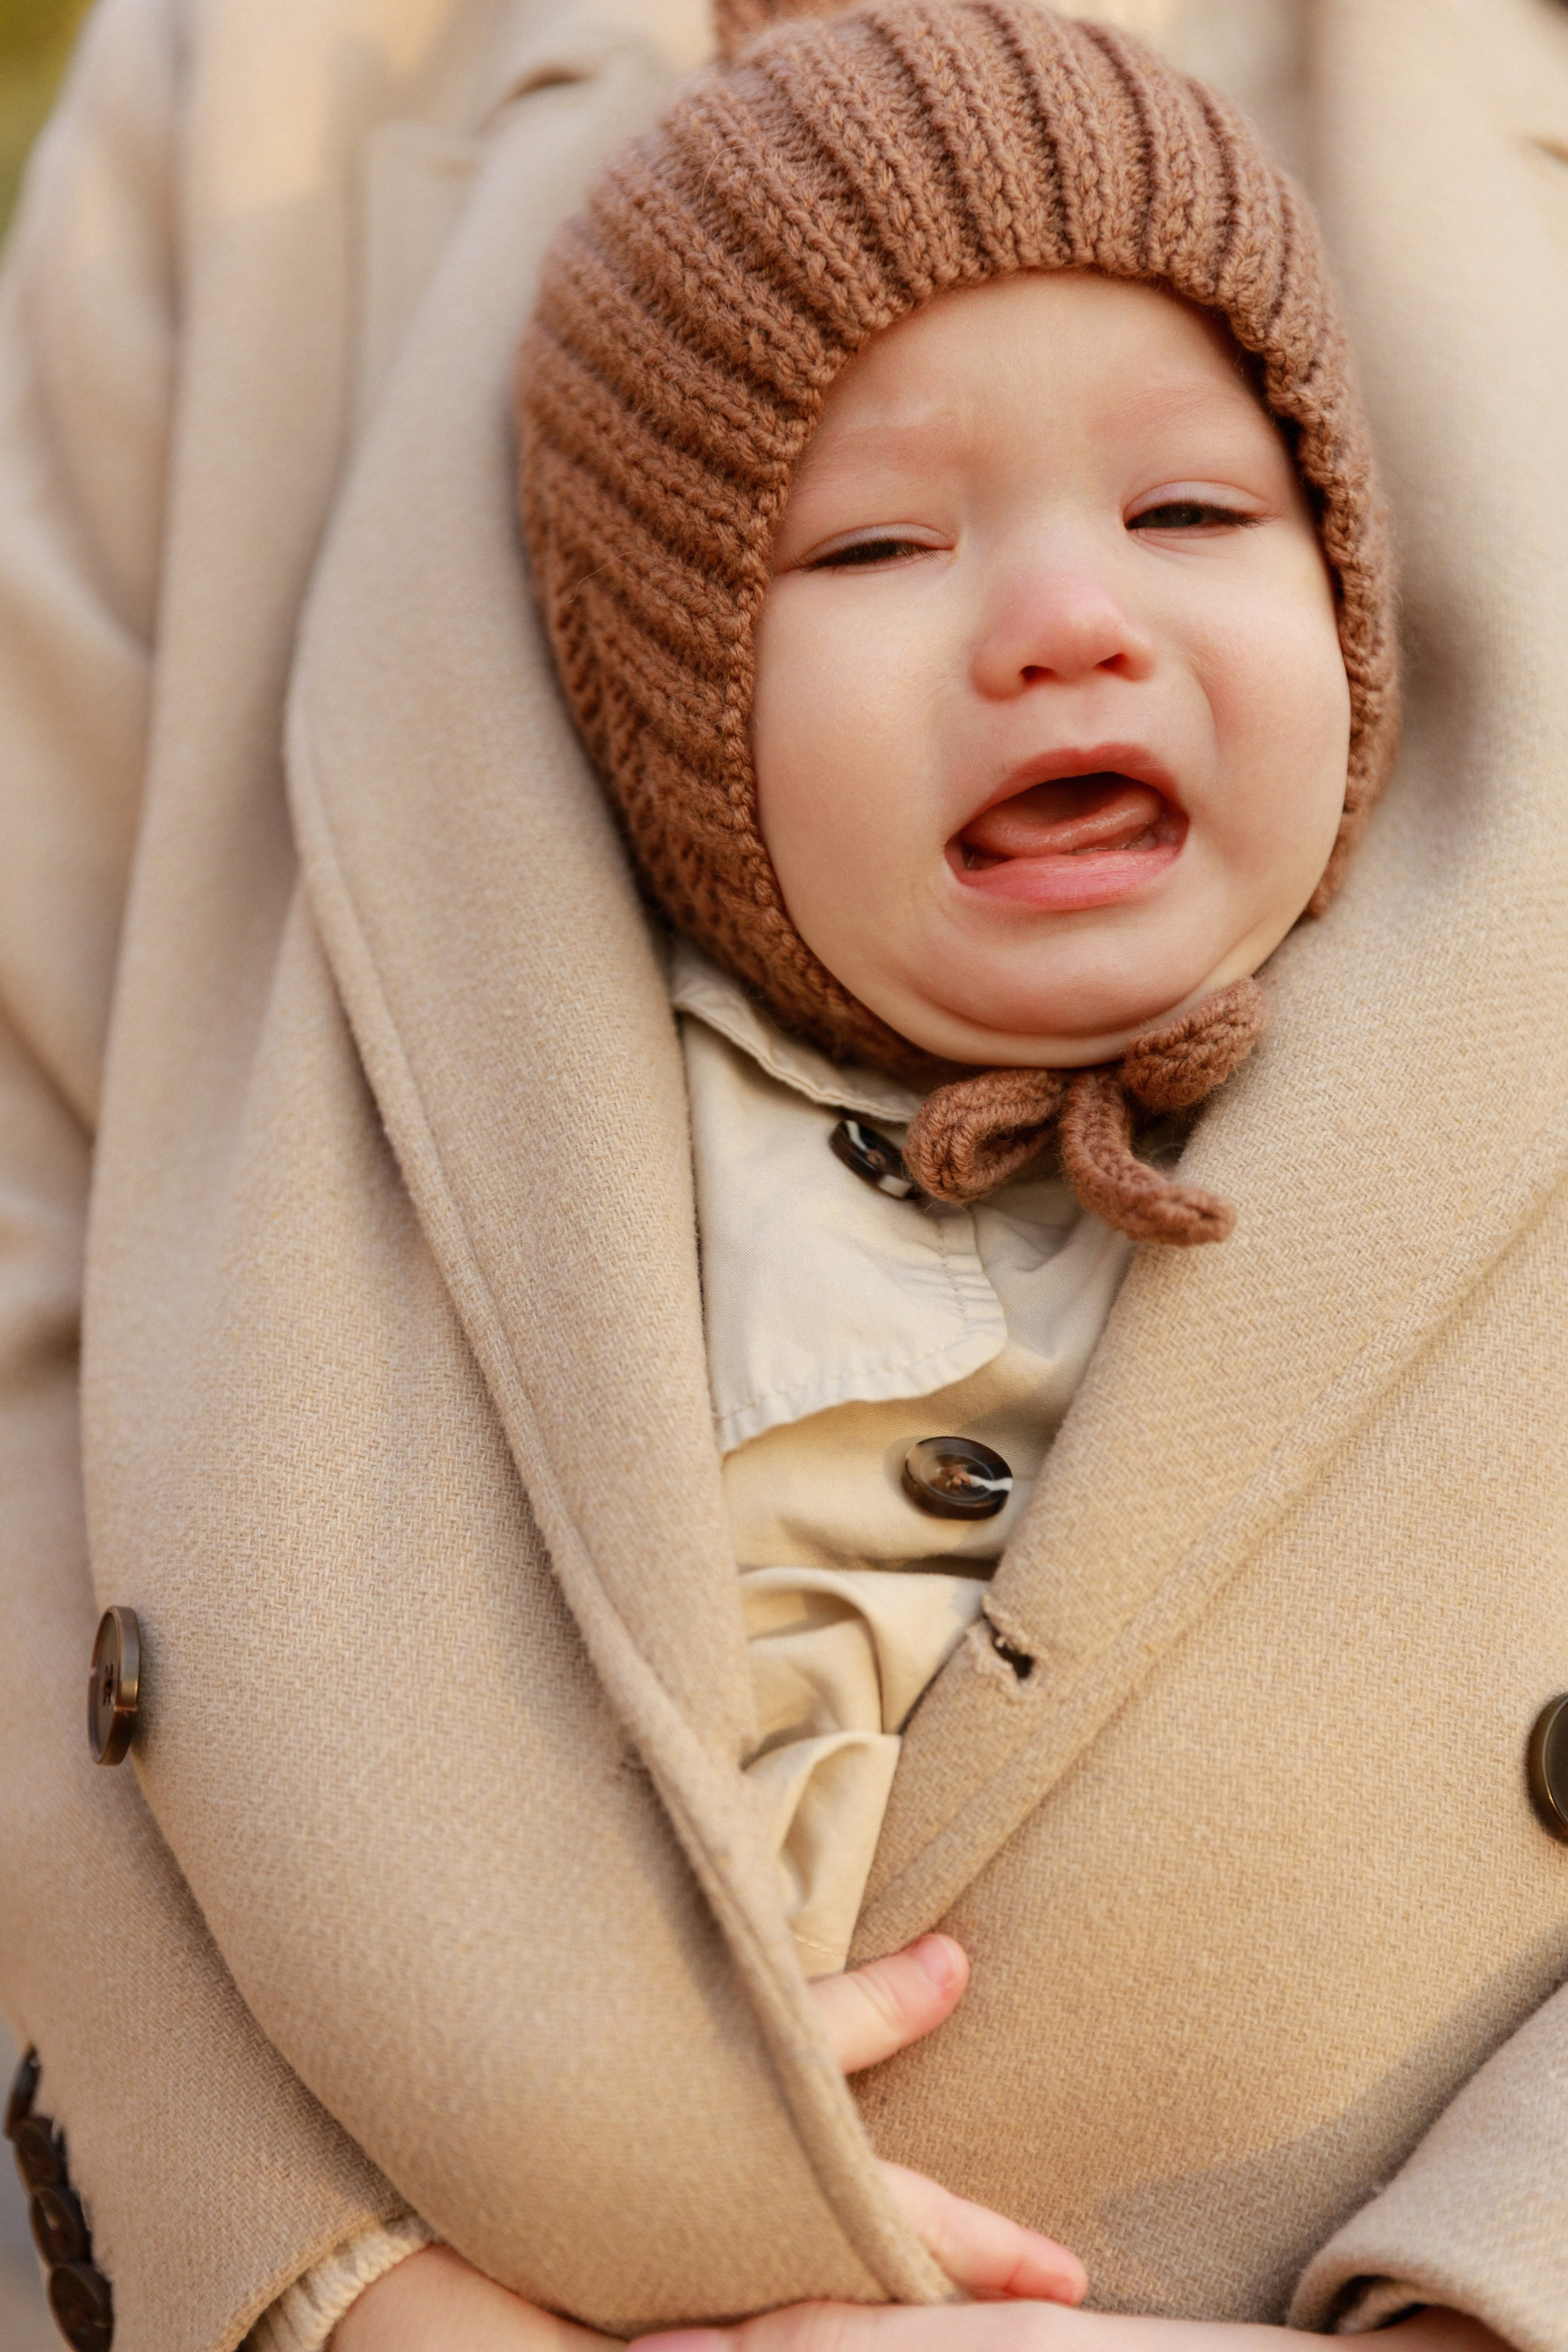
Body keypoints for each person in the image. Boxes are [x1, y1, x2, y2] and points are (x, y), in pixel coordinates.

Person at [1, 0, 1567, 2348]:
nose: (1065, 620)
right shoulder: (266, 85)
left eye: (1190, 513)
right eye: (872, 544)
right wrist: (325, 2285)